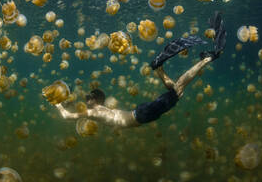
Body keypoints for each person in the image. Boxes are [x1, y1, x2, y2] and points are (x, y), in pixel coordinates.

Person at [54, 11, 226, 128]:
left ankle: (207, 59)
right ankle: (159, 68)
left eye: (88, 97)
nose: (85, 99)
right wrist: (67, 102)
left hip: (141, 114)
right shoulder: (99, 110)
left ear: (96, 99)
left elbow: (67, 117)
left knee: (178, 89)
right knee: (175, 90)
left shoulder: (94, 112)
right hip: (140, 112)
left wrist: (57, 104)